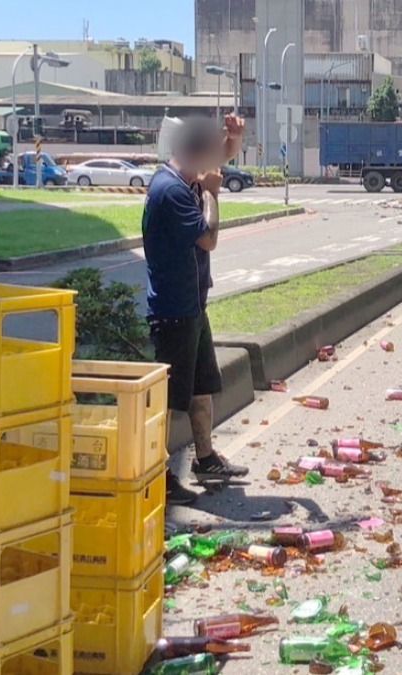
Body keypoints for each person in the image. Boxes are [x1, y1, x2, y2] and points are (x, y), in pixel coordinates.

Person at [143, 114, 248, 505]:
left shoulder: (185, 179)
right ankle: (161, 476)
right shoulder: (171, 191)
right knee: (170, 404)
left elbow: (218, 159)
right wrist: (214, 195)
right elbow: (209, 240)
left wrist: (233, 139)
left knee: (201, 389)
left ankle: (205, 459)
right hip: (172, 311)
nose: (213, 166)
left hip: (192, 306)